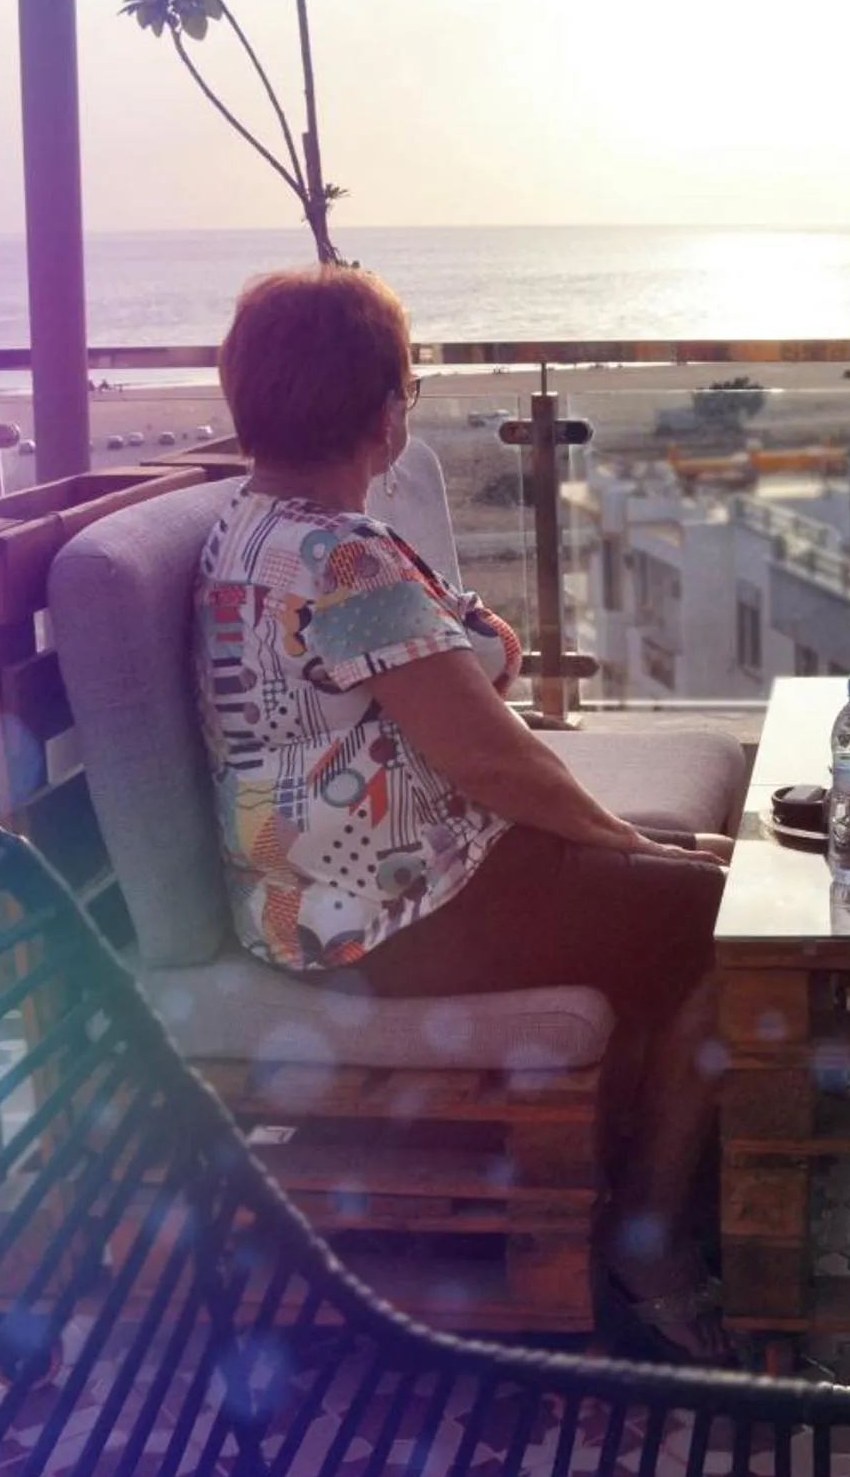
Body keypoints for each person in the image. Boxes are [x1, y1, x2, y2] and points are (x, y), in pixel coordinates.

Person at [194, 265, 734, 1361]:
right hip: (388, 916)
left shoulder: (256, 532)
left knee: (703, 861)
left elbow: (464, 667)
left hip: (355, 884)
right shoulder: (339, 557)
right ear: (388, 413)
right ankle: (653, 1237)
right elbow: (488, 754)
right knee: (737, 919)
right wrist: (622, 842)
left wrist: (629, 846)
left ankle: (641, 1150)